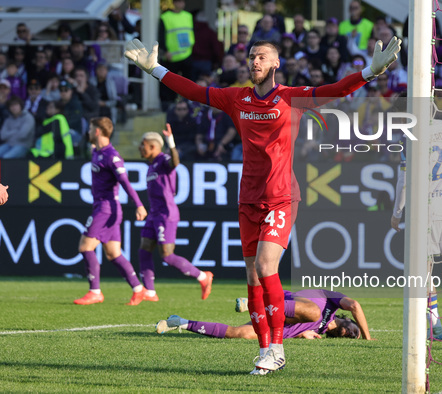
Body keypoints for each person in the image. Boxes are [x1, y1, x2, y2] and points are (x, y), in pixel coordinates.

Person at [125, 33, 400, 374]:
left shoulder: (292, 97)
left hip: (282, 197)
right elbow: (194, 92)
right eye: (252, 56)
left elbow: (336, 89)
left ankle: (278, 348)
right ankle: (264, 350)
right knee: (253, 278)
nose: (254, 61)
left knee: (268, 268)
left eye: (261, 57)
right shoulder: (236, 98)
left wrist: (369, 73)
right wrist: (155, 70)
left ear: (275, 64)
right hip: (248, 199)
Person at [391, 119, 442, 342]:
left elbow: (404, 180)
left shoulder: (410, 135)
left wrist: (397, 213)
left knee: (424, 271)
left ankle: (436, 327)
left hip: (426, 210)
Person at [74, 117, 148, 306]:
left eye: (91, 128)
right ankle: (138, 289)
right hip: (103, 207)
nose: (88, 132)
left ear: (98, 131)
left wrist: (139, 204)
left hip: (106, 209)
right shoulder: (96, 151)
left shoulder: (111, 156)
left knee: (85, 246)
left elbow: (125, 183)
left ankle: (95, 291)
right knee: (113, 253)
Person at [138, 124, 214, 301]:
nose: (140, 148)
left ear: (153, 146)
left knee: (167, 255)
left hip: (166, 214)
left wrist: (170, 142)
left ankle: (203, 277)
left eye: (143, 145)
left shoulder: (164, 160)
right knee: (144, 249)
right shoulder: (150, 166)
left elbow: (175, 162)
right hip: (154, 214)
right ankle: (150, 292)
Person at [155, 289, 372, 341]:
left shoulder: (317, 332)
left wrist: (302, 334)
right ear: (348, 318)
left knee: (239, 333)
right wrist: (367, 337)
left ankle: (180, 322)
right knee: (314, 312)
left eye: (351, 336)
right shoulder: (330, 301)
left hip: (280, 324)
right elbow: (355, 304)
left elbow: (300, 328)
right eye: (354, 330)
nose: (351, 334)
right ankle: (253, 303)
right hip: (281, 303)